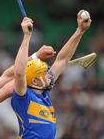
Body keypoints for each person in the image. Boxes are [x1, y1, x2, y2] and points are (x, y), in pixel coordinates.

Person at [11, 10, 92, 139]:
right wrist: (27, 36)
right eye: (44, 73)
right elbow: (19, 73)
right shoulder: (23, 97)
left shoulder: (44, 92)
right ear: (35, 81)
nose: (49, 74)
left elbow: (62, 60)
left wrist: (80, 31)